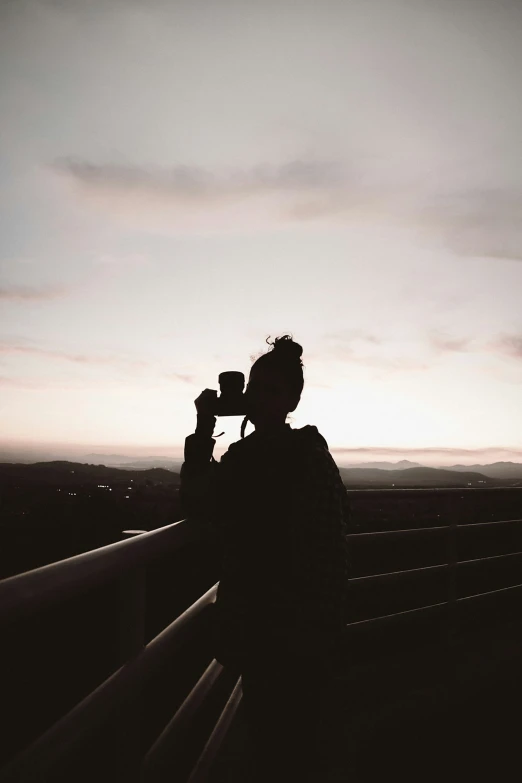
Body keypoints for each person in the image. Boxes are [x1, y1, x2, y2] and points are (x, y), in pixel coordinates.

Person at [180, 334, 351, 782]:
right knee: (297, 744)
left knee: (277, 747)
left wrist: (203, 426)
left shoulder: (253, 458)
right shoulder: (312, 452)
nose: (258, 398)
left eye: (269, 390)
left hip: (271, 631)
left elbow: (197, 499)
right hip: (308, 630)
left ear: (292, 400)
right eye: (255, 388)